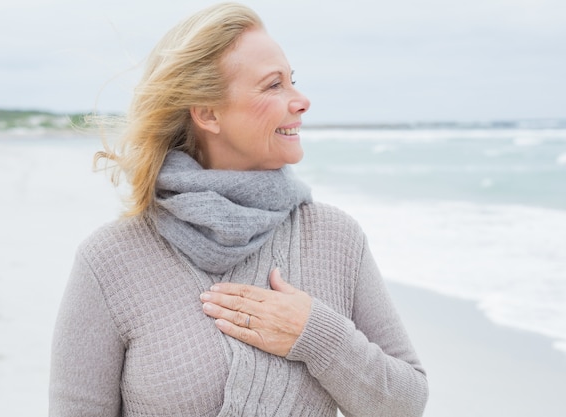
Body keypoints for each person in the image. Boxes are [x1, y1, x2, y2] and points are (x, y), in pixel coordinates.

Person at [49, 2, 429, 416]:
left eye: (293, 81)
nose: (301, 101)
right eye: (273, 85)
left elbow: (405, 404)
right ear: (208, 113)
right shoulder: (111, 260)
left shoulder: (336, 238)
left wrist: (317, 335)